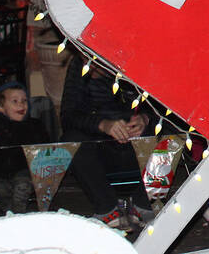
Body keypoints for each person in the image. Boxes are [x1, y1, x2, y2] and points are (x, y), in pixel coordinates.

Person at [60, 61, 156, 228]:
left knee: (166, 134)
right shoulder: (79, 67)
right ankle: (108, 209)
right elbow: (68, 116)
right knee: (71, 139)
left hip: (135, 149)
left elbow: (162, 108)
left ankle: (144, 203)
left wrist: (145, 119)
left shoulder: (134, 62)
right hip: (100, 150)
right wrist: (103, 124)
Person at [0, 82, 46, 213]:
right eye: (15, 101)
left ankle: (17, 212)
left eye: (24, 100)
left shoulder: (34, 125)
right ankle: (14, 214)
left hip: (25, 169)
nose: (21, 104)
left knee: (22, 183)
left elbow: (46, 148)